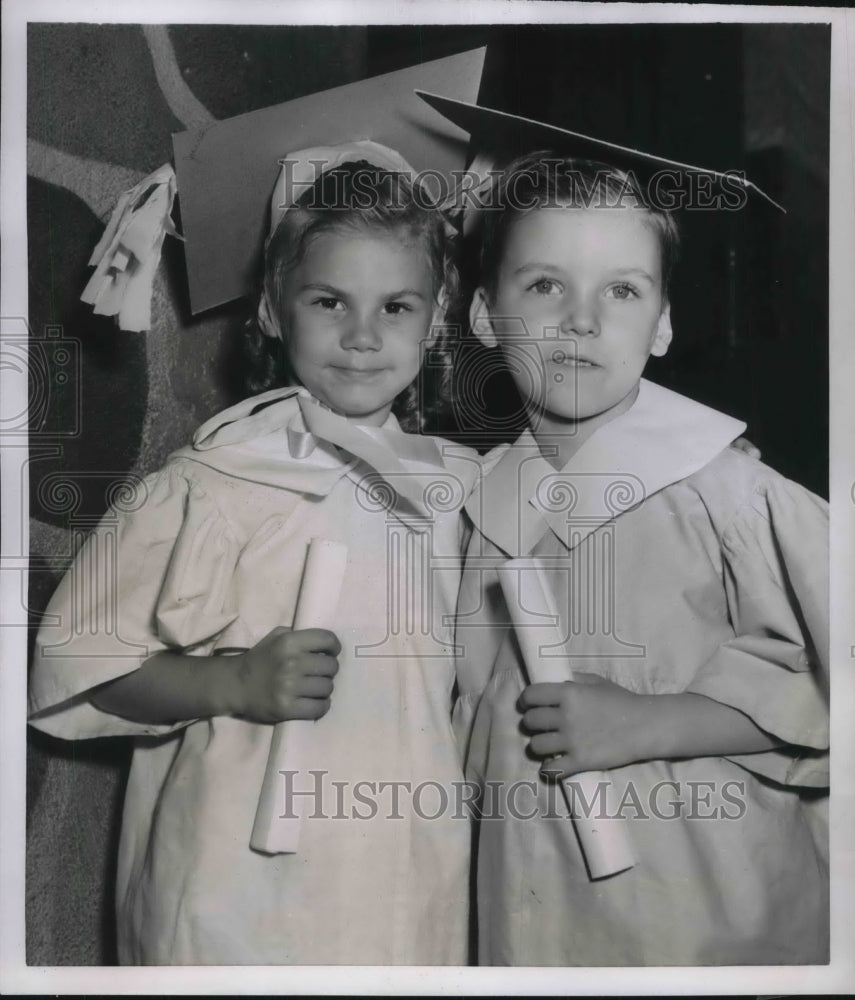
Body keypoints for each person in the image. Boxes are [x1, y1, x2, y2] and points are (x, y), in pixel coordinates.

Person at [29, 145, 481, 965]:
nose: (362, 336)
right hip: (235, 883)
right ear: (272, 308)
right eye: (329, 301)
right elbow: (80, 655)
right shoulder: (215, 479)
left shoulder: (460, 492)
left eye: (396, 307)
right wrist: (231, 681)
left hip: (400, 887)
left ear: (438, 314)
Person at [454, 151, 829, 966]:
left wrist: (650, 721)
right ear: (484, 316)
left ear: (661, 324)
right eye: (545, 285)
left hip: (705, 910)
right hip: (529, 914)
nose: (581, 320)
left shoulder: (726, 492)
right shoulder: (469, 508)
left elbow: (822, 679)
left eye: (620, 290)